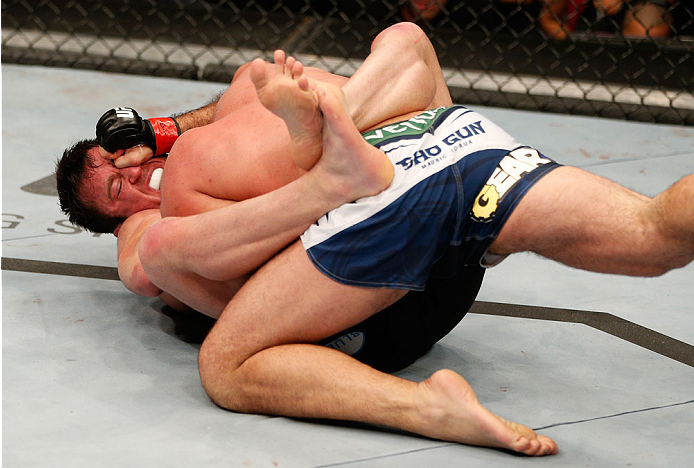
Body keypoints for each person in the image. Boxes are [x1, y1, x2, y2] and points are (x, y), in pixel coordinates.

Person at [58, 23, 483, 374]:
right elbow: (144, 272)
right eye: (117, 187)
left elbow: (217, 112)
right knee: (170, 221)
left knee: (406, 38)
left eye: (119, 159)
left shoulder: (213, 137)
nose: (131, 171)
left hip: (446, 235)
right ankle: (331, 142)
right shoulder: (143, 223)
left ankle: (337, 122)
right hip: (363, 317)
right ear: (114, 221)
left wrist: (161, 131)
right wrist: (160, 210)